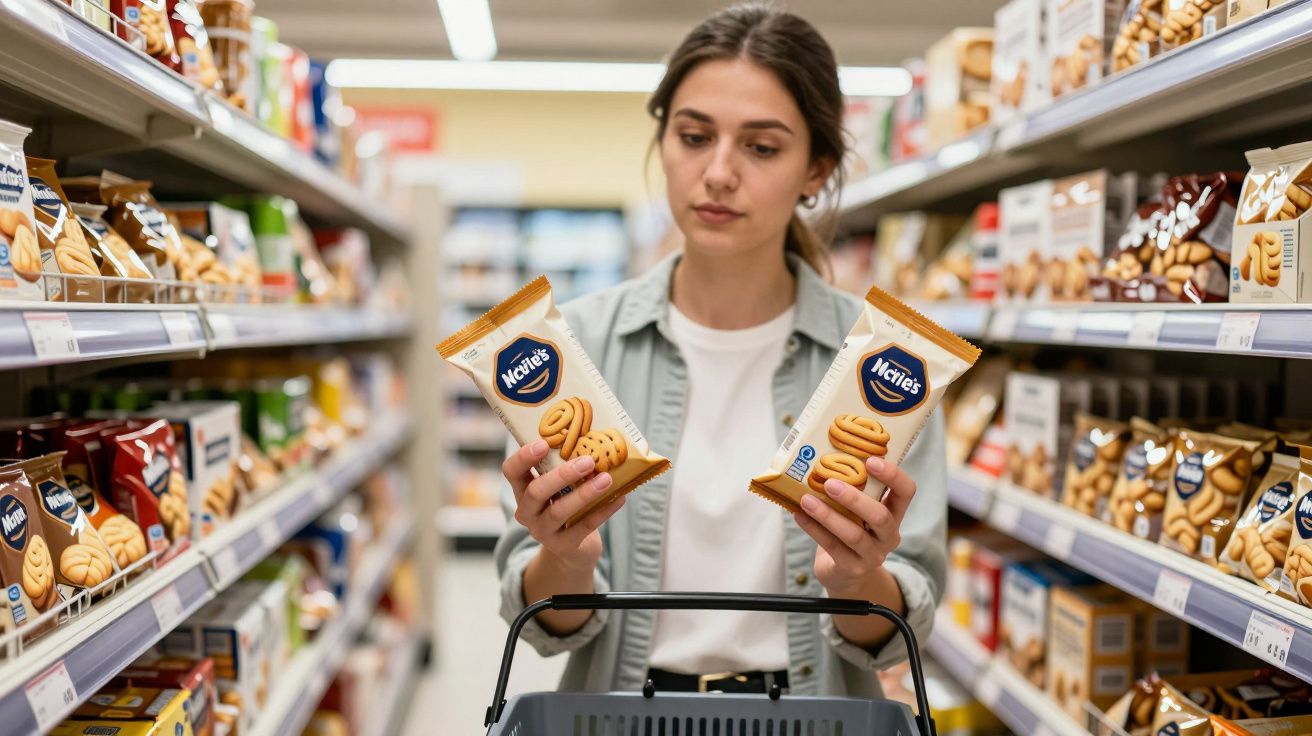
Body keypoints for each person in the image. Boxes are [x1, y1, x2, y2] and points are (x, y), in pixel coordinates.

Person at [494, 2, 946, 698]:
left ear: (816, 170)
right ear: (664, 140)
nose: (718, 172)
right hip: (622, 711)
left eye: (761, 147)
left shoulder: (884, 366)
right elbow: (544, 626)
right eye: (694, 136)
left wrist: (858, 578)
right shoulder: (574, 347)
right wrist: (564, 559)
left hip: (812, 713)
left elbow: (896, 632)